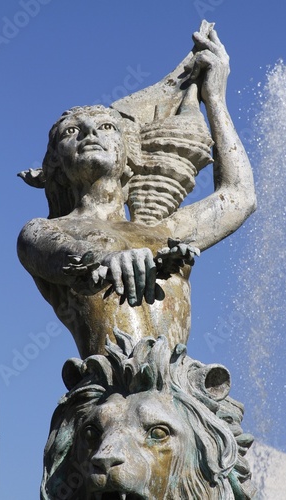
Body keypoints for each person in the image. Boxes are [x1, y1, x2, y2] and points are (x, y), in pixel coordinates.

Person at [17, 26, 256, 358]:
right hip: (110, 389)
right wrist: (107, 259)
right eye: (72, 131)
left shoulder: (165, 231)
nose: (89, 133)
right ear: (55, 162)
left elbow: (239, 196)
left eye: (106, 127)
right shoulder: (44, 230)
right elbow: (58, 255)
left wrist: (215, 98)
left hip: (181, 387)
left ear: (127, 154)